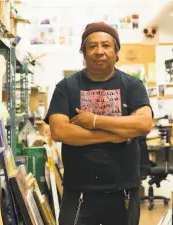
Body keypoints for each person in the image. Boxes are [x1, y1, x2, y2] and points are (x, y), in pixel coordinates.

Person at [44, 22, 153, 225]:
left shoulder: (132, 85)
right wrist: (115, 134)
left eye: (106, 45)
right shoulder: (67, 87)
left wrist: (93, 120)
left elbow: (144, 123)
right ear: (83, 53)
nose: (99, 52)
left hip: (124, 190)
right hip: (79, 191)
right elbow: (59, 131)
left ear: (116, 52)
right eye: (92, 46)